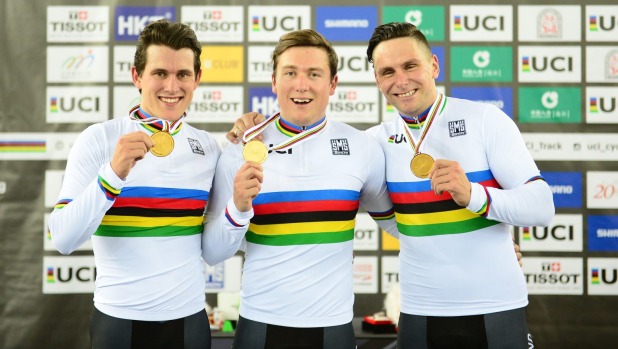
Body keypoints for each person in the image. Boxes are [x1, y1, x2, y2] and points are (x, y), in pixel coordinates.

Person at [228, 22, 553, 349]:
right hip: (419, 312)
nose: (401, 80)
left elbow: (541, 205)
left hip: (495, 307)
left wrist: (476, 198)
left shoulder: (484, 120)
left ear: (434, 65)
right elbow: (401, 224)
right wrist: (255, 126)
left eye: (410, 66)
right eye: (387, 71)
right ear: (377, 80)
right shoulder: (374, 143)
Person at [201, 29, 399, 349]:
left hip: (333, 328)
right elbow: (212, 252)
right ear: (274, 81)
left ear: (332, 83)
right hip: (260, 327)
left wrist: (482, 235)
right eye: (290, 72)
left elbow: (398, 224)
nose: (301, 84)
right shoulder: (241, 149)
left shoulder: (363, 148)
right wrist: (238, 206)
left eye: (314, 73)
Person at [48, 19, 218, 349]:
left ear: (196, 79)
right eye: (159, 73)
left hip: (189, 322)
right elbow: (63, 239)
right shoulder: (100, 139)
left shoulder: (208, 148)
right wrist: (112, 174)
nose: (172, 86)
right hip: (118, 321)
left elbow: (217, 246)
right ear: (137, 76)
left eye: (182, 74)